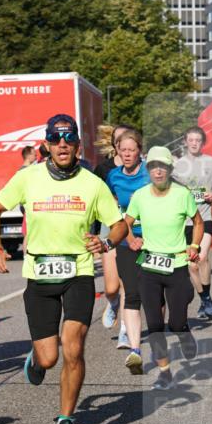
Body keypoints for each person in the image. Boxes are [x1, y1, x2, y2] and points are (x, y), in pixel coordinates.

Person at [0, 114, 126, 424]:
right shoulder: (28, 177)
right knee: (49, 357)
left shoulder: (93, 184)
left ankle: (66, 419)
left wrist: (105, 242)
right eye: (56, 139)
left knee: (73, 349)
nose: (62, 145)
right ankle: (35, 358)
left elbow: (118, 224)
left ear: (77, 145)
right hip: (39, 276)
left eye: (69, 139)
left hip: (77, 273)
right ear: (47, 145)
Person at [125, 146, 202, 389]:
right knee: (155, 324)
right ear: (148, 170)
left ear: (169, 169)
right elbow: (123, 223)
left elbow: (198, 222)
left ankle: (184, 332)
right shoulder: (139, 196)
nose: (158, 171)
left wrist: (195, 245)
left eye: (162, 167)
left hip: (177, 264)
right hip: (149, 266)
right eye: (153, 167)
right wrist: (131, 239)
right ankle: (165, 371)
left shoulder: (182, 194)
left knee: (176, 323)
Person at [104, 129, 151, 373]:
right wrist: (129, 236)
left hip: (154, 241)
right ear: (118, 152)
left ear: (139, 151)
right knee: (131, 292)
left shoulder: (151, 173)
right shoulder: (112, 176)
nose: (127, 154)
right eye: (123, 151)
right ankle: (135, 350)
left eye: (132, 150)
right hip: (126, 241)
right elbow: (114, 210)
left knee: (155, 295)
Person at [172, 126, 212, 319]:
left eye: (198, 140)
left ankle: (206, 300)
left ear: (203, 142)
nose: (194, 143)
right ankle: (205, 299)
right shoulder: (177, 166)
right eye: (191, 140)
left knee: (202, 257)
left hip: (206, 216)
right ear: (185, 141)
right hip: (186, 222)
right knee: (191, 264)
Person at [94, 124, 129, 331]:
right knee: (112, 287)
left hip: (134, 229)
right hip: (109, 228)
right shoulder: (104, 169)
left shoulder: (142, 169)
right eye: (118, 140)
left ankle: (126, 330)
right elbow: (94, 201)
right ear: (114, 144)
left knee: (128, 284)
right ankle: (113, 302)